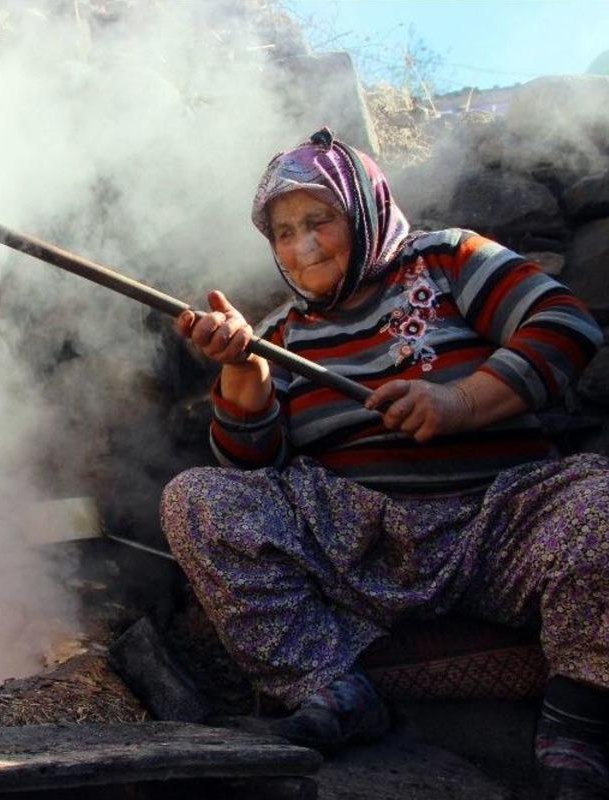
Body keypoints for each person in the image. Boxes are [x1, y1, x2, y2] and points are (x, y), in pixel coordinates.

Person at [163, 128, 609, 800]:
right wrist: (244, 367)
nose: (303, 246)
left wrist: (462, 401)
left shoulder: (449, 259)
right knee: (199, 500)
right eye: (284, 232)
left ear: (365, 211)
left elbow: (565, 324)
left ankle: (579, 727)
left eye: (320, 221)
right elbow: (251, 468)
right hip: (362, 546)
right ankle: (334, 689)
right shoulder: (280, 335)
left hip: (502, 523)